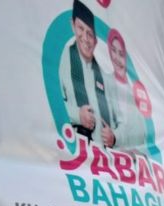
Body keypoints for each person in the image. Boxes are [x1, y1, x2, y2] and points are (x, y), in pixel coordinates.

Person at [60, 0, 116, 148]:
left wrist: (113, 136)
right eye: (80, 28)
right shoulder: (63, 58)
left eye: (90, 33)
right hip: (72, 152)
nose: (85, 38)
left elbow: (115, 121)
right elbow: (50, 103)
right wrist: (77, 115)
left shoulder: (104, 76)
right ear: (72, 25)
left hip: (101, 161)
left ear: (96, 41)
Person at [105, 29, 148, 153]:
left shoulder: (135, 92)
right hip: (111, 157)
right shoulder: (104, 80)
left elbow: (142, 132)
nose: (117, 58)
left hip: (134, 161)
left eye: (121, 53)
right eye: (113, 51)